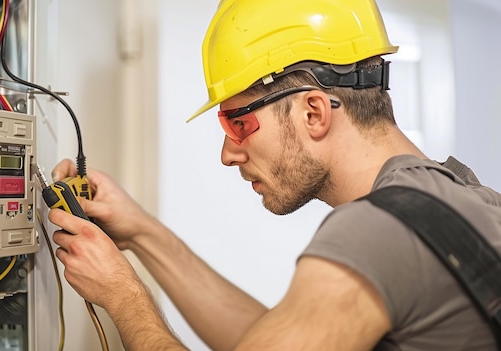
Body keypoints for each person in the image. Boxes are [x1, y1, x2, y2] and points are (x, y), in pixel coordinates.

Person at [49, 0, 501, 349]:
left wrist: (126, 297)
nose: (228, 154)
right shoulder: (462, 196)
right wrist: (143, 234)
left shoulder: (378, 232)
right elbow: (276, 336)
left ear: (313, 112)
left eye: (238, 123)